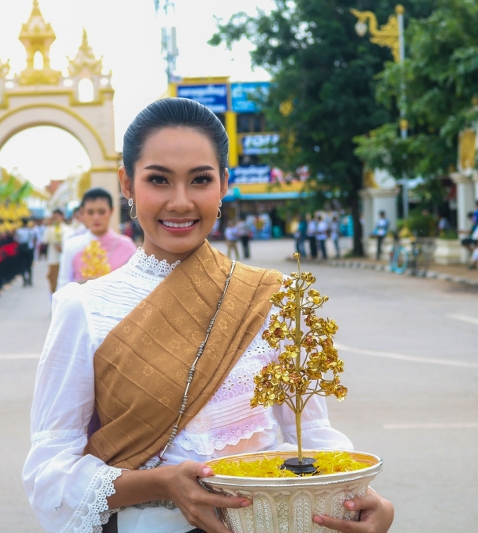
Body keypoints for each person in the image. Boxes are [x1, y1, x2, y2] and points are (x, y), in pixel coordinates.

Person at [23, 98, 394, 533]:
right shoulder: (84, 309)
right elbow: (48, 470)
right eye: (158, 180)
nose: (180, 202)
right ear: (126, 183)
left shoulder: (271, 299)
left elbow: (309, 437)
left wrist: (361, 499)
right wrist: (156, 483)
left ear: (223, 184)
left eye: (200, 180)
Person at [56, 188, 137, 290]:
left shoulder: (126, 246)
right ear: (82, 212)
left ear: (111, 211)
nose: (96, 217)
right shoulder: (72, 246)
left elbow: (135, 287)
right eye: (90, 212)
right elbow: (63, 288)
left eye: (101, 212)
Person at [43, 210, 65, 295]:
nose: (56, 219)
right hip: (53, 259)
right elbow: (44, 240)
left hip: (64, 260)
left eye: (57, 217)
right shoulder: (50, 229)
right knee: (53, 281)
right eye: (54, 217)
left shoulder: (67, 229)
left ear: (62, 217)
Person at [14, 220, 35, 287]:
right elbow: (33, 240)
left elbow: (16, 239)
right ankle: (30, 280)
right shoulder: (30, 231)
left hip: (22, 248)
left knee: (22, 265)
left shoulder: (19, 231)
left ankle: (24, 281)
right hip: (29, 248)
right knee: (29, 266)